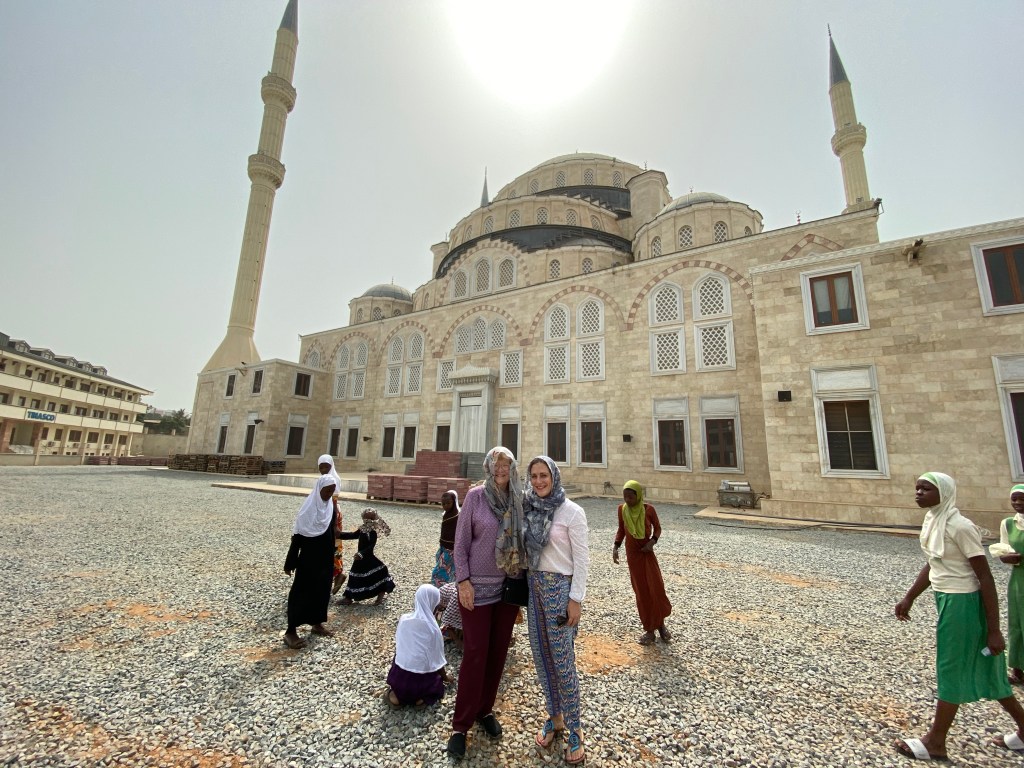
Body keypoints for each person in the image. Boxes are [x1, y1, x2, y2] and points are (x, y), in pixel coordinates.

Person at [893, 472, 1024, 762]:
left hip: (963, 603)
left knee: (951, 667)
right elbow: (934, 563)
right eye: (917, 488)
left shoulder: (960, 526)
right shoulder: (933, 520)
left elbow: (985, 577)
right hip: (947, 598)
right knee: (989, 669)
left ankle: (935, 741)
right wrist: (909, 597)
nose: (918, 493)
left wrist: (994, 630)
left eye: (926, 489)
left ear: (945, 492)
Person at [446, 447, 526, 761]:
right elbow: (461, 543)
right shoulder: (476, 498)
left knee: (497, 653)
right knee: (475, 653)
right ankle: (460, 725)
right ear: (488, 466)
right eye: (496, 464)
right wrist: (463, 581)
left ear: (512, 467)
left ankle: (484, 710)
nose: (500, 469)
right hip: (476, 592)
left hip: (507, 591)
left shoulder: (519, 499)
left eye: (506, 464)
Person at [523, 455, 589, 766]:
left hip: (559, 590)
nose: (538, 481)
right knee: (541, 656)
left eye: (543, 475)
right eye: (534, 476)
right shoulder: (530, 509)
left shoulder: (572, 512)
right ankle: (555, 716)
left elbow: (583, 560)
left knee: (563, 660)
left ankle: (575, 728)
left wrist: (576, 598)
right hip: (533, 586)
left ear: (554, 476)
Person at [614, 480, 672, 645]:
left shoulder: (648, 510)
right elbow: (621, 529)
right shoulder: (622, 510)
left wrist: (652, 541)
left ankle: (661, 625)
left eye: (631, 497)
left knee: (656, 588)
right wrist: (615, 547)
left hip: (646, 552)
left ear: (638, 496)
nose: (628, 500)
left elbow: (658, 528)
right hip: (633, 554)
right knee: (641, 591)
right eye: (625, 497)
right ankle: (649, 630)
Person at [283, 474, 338, 649]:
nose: (329, 494)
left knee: (322, 590)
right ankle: (290, 631)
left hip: (325, 558)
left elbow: (332, 533)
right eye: (326, 490)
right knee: (301, 591)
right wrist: (290, 561)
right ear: (319, 489)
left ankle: (317, 623)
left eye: (331, 491)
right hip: (308, 559)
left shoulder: (330, 508)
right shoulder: (307, 511)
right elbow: (297, 538)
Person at [385, 584, 450, 707]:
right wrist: (445, 678)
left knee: (403, 654)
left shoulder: (404, 619)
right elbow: (437, 660)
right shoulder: (433, 629)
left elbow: (400, 645)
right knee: (433, 680)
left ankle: (397, 697)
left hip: (400, 678)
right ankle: (420, 699)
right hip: (421, 681)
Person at [992, 484, 1024, 685]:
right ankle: (1018, 668)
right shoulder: (1008, 524)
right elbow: (1003, 550)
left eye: (1022, 499)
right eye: (1014, 499)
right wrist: (1006, 558)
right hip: (1018, 580)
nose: (1018, 503)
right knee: (1017, 623)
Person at [338, 509, 396, 605]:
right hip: (360, 558)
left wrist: (361, 553)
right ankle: (348, 597)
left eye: (366, 517)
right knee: (354, 576)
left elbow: (371, 546)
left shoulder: (372, 531)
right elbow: (353, 535)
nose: (364, 519)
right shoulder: (363, 528)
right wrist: (339, 535)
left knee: (378, 573)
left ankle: (380, 595)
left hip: (366, 558)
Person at [317, 454, 347, 595]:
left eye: (326, 466)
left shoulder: (333, 479)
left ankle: (338, 572)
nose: (323, 469)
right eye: (321, 467)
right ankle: (332, 575)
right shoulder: (323, 478)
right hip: (324, 514)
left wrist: (335, 523)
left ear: (331, 466)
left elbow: (333, 502)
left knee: (334, 544)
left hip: (332, 515)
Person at [430, 490, 460, 587]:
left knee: (437, 572)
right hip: (443, 547)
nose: (445, 506)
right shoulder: (446, 514)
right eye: (443, 504)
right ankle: (448, 588)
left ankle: (437, 590)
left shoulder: (458, 516)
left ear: (454, 502)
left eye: (448, 503)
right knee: (448, 569)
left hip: (451, 549)